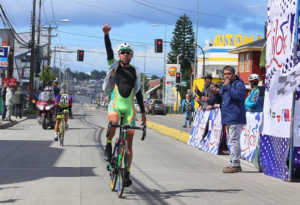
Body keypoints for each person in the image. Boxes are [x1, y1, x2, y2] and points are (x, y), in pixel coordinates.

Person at [102, 23, 146, 188]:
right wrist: (106, 35)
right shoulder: (114, 66)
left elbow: (139, 92)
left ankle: (127, 173)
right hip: (115, 105)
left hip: (129, 109)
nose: (125, 55)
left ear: (132, 55)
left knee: (129, 142)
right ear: (119, 55)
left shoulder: (135, 71)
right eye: (122, 52)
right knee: (113, 123)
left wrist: (143, 113)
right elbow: (108, 52)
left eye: (128, 53)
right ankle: (108, 145)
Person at [210, 66, 246, 173]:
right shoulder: (225, 85)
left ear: (234, 74)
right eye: (225, 74)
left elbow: (239, 96)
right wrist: (215, 94)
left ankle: (235, 164)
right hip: (228, 116)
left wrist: (229, 86)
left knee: (234, 140)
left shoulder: (238, 84)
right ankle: (232, 163)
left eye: (229, 74)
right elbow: (220, 99)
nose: (226, 76)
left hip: (235, 116)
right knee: (231, 140)